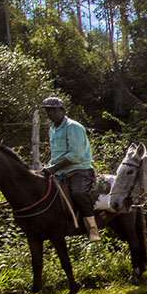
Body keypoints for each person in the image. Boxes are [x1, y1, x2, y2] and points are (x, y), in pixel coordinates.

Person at [42, 97, 99, 242]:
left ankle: (92, 228)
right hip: (60, 171)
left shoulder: (73, 127)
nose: (51, 113)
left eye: (54, 110)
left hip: (79, 169)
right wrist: (48, 168)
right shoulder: (52, 129)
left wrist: (54, 167)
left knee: (79, 193)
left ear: (62, 110)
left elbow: (76, 154)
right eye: (48, 110)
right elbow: (56, 155)